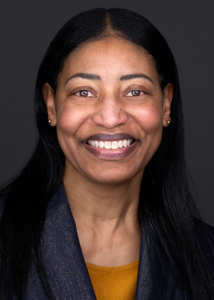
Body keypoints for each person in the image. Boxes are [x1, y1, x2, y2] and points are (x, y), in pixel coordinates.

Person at [0, 7, 213, 300]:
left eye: (135, 91)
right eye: (84, 92)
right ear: (51, 105)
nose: (110, 118)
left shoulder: (206, 253)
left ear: (166, 105)